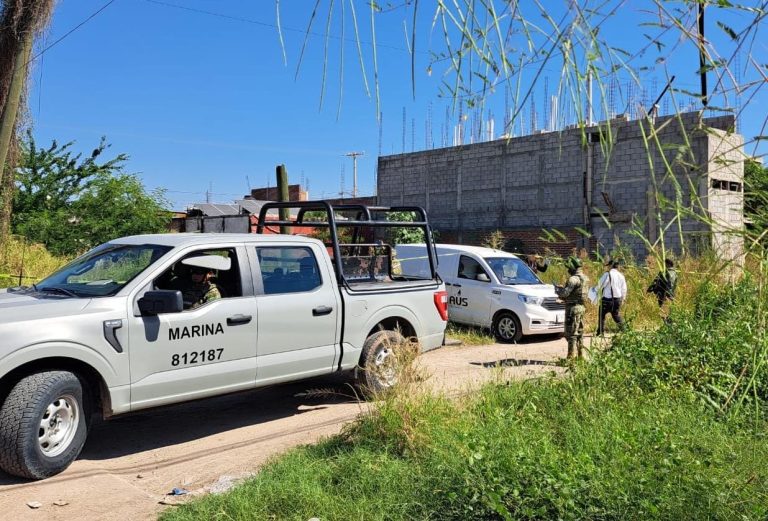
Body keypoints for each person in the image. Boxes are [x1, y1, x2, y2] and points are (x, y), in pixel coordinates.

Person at [556, 256, 589, 360]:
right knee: (580, 332)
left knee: (571, 333)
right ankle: (581, 355)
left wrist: (558, 291)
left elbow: (565, 293)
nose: (568, 270)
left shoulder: (573, 279)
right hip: (581, 307)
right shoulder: (585, 278)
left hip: (572, 309)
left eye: (569, 268)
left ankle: (571, 357)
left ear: (573, 267)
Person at [596, 260, 627, 335]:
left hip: (607, 300)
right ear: (617, 266)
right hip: (617, 299)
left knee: (601, 315)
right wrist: (623, 299)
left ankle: (600, 332)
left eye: (608, 266)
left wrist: (595, 291)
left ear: (610, 266)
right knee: (616, 315)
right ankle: (626, 331)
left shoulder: (607, 274)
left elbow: (600, 285)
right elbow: (624, 288)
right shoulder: (621, 275)